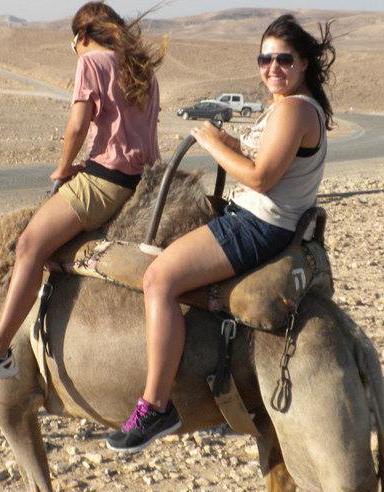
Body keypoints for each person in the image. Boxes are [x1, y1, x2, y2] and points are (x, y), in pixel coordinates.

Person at [107, 14, 336, 453]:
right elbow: (266, 157)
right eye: (264, 58)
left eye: (283, 59)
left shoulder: (293, 108)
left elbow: (262, 177)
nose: (272, 67)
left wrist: (212, 146)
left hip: (258, 226)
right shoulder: (296, 105)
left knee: (158, 280)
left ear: (303, 62)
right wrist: (227, 139)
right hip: (265, 221)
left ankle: (156, 407)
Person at [0, 1, 166, 385]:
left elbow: (78, 125)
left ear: (82, 36)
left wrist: (64, 168)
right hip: (140, 181)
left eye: (73, 45)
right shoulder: (142, 69)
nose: (75, 52)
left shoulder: (92, 62)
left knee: (29, 244)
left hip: (104, 181)